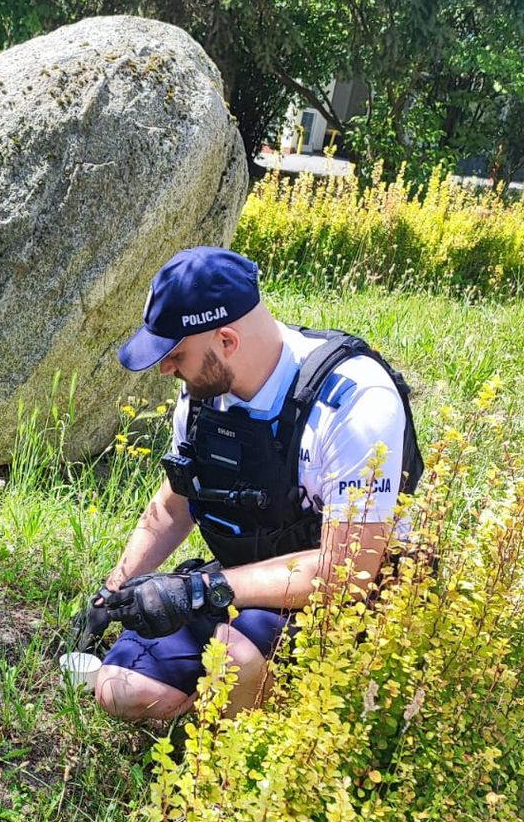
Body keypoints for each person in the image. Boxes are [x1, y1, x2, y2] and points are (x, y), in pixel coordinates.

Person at [80, 246, 422, 723]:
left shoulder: (353, 403)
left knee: (233, 658)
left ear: (226, 340)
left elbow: (349, 572)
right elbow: (177, 503)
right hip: (247, 580)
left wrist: (199, 591)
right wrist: (111, 593)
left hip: (350, 600)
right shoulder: (205, 391)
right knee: (120, 690)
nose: (165, 369)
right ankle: (243, 698)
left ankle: (263, 745)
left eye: (175, 355)